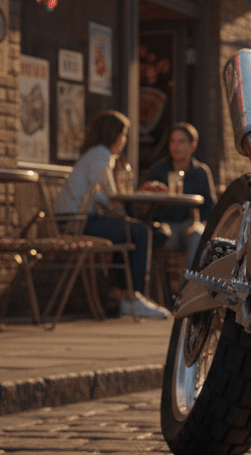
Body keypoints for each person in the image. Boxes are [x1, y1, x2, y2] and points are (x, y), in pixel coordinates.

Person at [55, 109, 168, 319]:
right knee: (140, 232)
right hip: (76, 222)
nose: (124, 140)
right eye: (123, 134)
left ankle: (120, 295)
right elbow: (104, 196)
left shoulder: (96, 153)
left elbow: (103, 196)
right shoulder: (101, 154)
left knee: (130, 230)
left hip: (71, 219)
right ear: (113, 135)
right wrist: (129, 200)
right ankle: (132, 298)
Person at [140, 122, 216, 254]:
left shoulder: (201, 172)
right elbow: (143, 202)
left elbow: (209, 206)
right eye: (172, 141)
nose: (176, 146)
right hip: (165, 225)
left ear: (193, 146)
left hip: (189, 224)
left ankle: (190, 275)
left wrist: (200, 223)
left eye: (181, 142)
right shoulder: (158, 170)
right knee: (164, 237)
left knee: (197, 235)